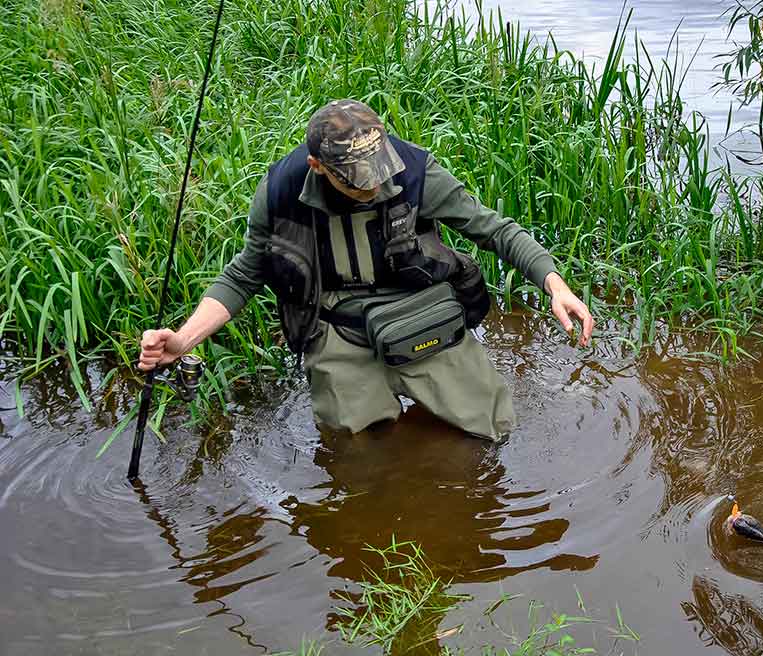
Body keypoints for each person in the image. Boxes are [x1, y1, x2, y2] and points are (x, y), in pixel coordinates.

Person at [137, 99, 594, 441]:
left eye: (379, 170)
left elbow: (493, 229)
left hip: (420, 308)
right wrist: (182, 340)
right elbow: (244, 274)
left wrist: (555, 284)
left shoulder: (415, 171)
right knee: (357, 453)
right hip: (337, 324)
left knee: (493, 429)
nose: (374, 184)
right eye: (358, 177)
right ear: (319, 167)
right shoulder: (280, 191)